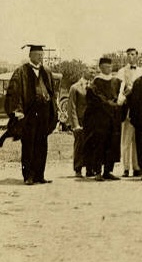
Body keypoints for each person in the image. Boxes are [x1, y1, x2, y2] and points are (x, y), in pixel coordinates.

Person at [5, 45, 58, 185]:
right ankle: (28, 176)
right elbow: (14, 92)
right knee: (29, 145)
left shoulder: (46, 71)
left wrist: (53, 110)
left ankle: (40, 175)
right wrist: (18, 110)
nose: (41, 57)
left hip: (44, 114)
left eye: (42, 55)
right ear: (31, 55)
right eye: (38, 55)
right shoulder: (21, 71)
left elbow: (52, 92)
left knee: (42, 145)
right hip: (29, 115)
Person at [83, 58, 123, 181]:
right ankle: (98, 171)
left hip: (113, 119)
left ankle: (108, 171)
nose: (108, 69)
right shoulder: (95, 82)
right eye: (106, 67)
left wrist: (121, 99)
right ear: (100, 67)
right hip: (100, 119)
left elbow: (121, 95)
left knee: (112, 144)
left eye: (110, 67)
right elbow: (95, 99)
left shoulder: (117, 81)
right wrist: (108, 104)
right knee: (99, 144)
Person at [117, 48, 142, 177]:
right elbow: (119, 90)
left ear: (137, 56)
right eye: (128, 55)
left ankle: (136, 167)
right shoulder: (122, 72)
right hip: (127, 108)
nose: (130, 57)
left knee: (137, 140)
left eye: (133, 54)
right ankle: (126, 168)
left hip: (138, 110)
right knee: (126, 140)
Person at [67, 68, 93, 178]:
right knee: (79, 145)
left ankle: (90, 169)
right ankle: (78, 169)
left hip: (91, 121)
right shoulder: (75, 87)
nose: (92, 73)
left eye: (94, 71)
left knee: (91, 144)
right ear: (84, 72)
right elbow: (71, 107)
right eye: (90, 71)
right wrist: (75, 124)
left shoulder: (94, 87)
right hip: (80, 121)